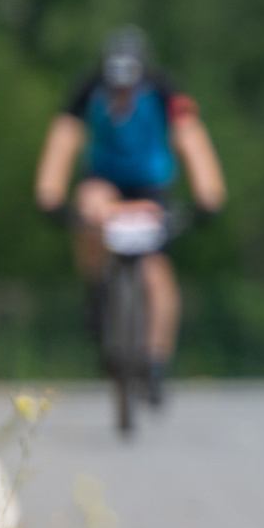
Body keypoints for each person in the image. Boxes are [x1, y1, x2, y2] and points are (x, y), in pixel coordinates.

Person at [32, 26, 226, 387]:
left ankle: (156, 357)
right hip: (104, 179)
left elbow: (191, 139)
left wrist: (209, 193)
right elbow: (63, 139)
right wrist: (49, 194)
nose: (121, 94)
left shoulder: (165, 90)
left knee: (155, 270)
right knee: (90, 211)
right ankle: (97, 292)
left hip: (151, 185)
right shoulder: (88, 89)